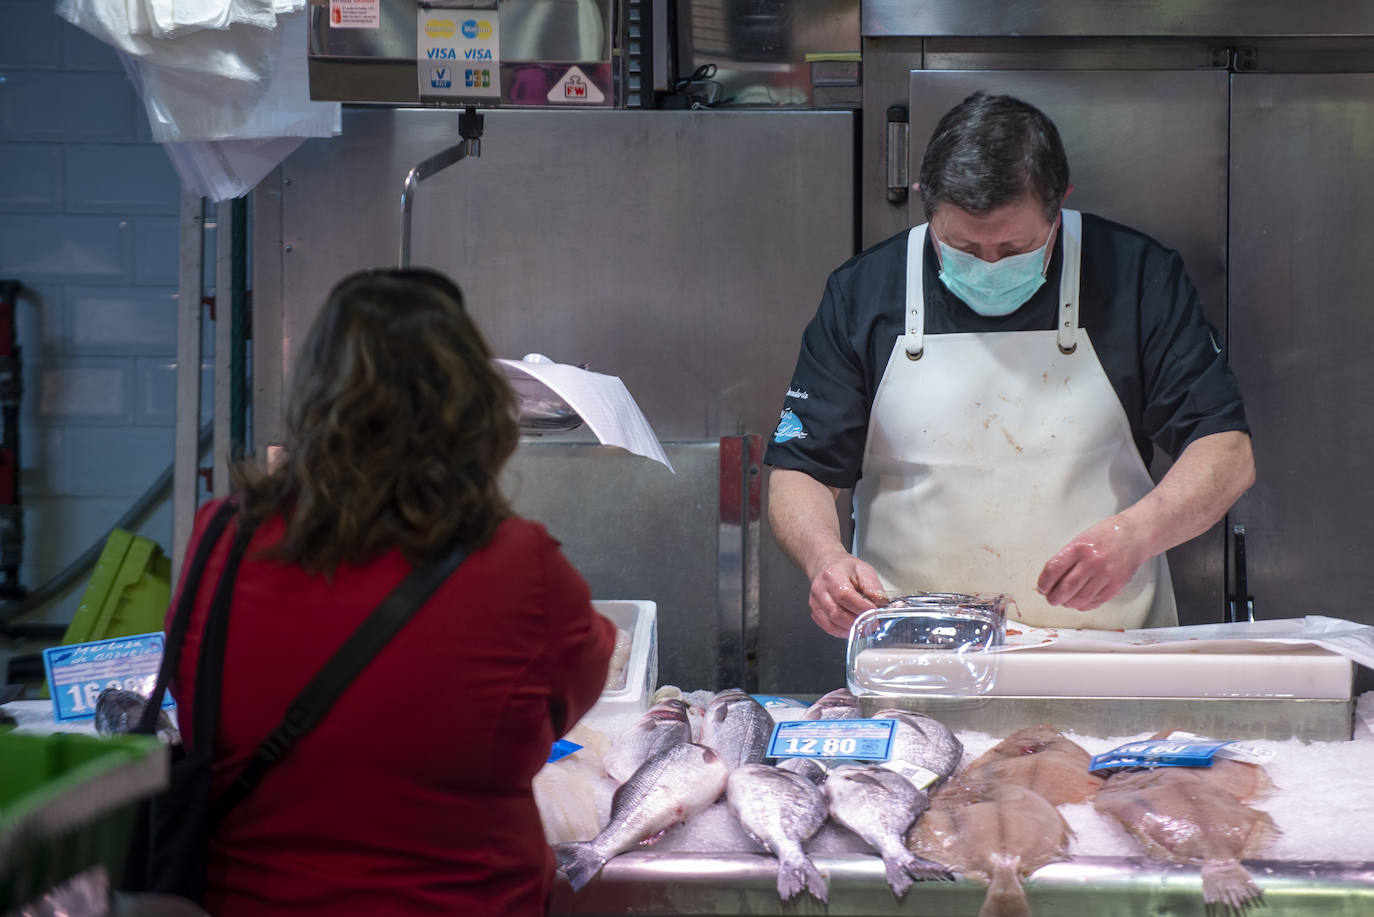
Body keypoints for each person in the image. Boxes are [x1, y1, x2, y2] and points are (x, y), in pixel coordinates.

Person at [168, 268, 616, 916]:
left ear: (312, 397)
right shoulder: (521, 564)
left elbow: (195, 703)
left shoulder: (221, 542)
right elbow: (578, 681)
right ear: (474, 405)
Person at [766, 91, 1254, 638]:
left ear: (1059, 202)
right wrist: (824, 558)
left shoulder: (1136, 278)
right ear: (926, 201)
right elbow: (802, 470)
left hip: (1105, 649)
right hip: (919, 654)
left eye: (1014, 247)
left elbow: (1226, 452)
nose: (989, 264)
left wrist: (1135, 534)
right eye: (963, 248)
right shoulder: (863, 292)